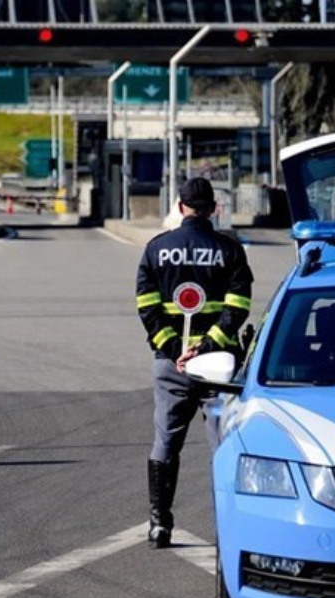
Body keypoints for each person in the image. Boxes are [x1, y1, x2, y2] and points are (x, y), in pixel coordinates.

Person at [135, 177, 254, 549]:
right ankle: (230, 530)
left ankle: (159, 524)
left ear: (180, 206)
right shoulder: (229, 250)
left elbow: (147, 308)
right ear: (214, 208)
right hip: (220, 367)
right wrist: (207, 347)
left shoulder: (157, 249)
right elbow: (238, 309)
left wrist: (177, 351)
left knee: (165, 444)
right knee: (225, 448)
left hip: (174, 367)